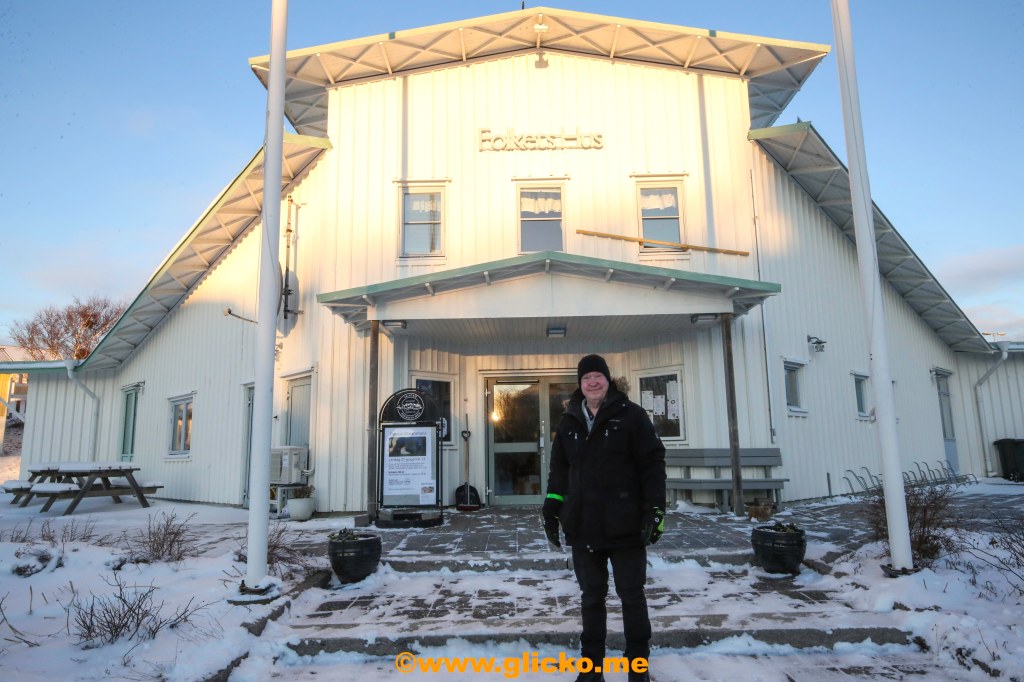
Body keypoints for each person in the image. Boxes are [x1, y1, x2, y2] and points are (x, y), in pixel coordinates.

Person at [543, 354, 666, 682]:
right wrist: (551, 511)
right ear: (580, 385)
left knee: (632, 596)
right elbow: (558, 473)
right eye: (586, 378)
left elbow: (652, 464)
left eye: (598, 376)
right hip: (583, 528)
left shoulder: (632, 416)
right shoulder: (569, 422)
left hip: (626, 527)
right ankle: (591, 668)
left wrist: (655, 509)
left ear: (608, 380)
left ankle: (637, 667)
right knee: (591, 598)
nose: (592, 382)